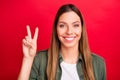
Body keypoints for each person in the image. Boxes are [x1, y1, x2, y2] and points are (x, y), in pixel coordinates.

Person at [18, 4, 106, 80]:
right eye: (62, 25)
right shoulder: (40, 60)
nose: (69, 31)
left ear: (82, 29)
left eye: (75, 25)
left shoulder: (98, 63)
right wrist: (28, 59)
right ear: (56, 29)